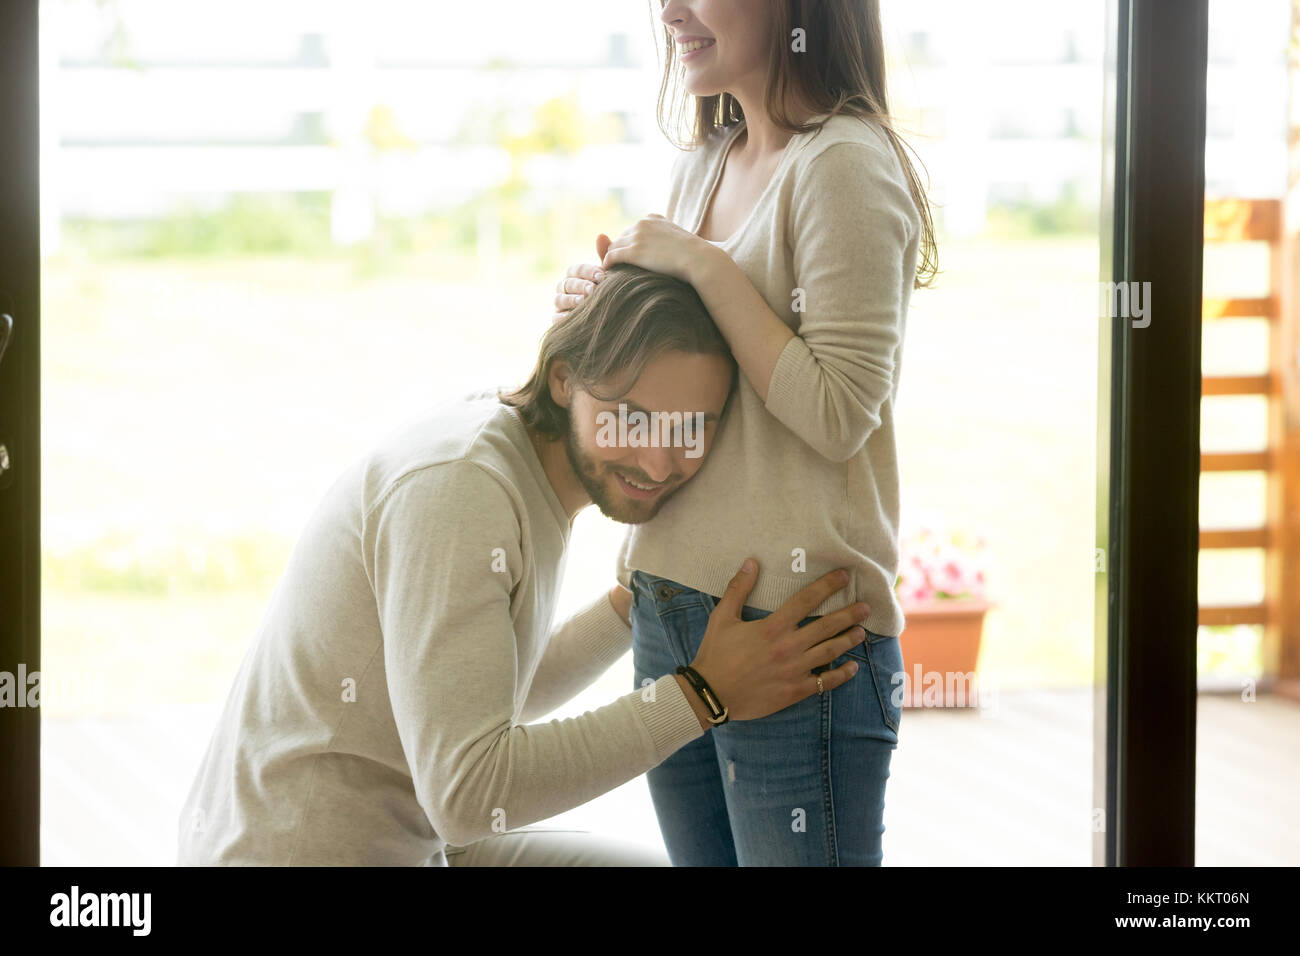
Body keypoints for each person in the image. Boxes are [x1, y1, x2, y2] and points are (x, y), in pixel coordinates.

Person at [177, 264, 871, 866]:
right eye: (632, 417)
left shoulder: (516, 459)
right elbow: (470, 795)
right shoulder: (461, 488)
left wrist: (634, 602)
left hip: (412, 845)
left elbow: (486, 690)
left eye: (690, 429)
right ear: (566, 379)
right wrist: (704, 694)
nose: (661, 461)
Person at [552, 0, 937, 865]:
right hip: (672, 616)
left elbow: (838, 412)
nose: (670, 9)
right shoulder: (709, 160)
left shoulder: (844, 164)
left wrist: (699, 264)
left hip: (795, 639)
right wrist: (603, 311)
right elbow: (698, 385)